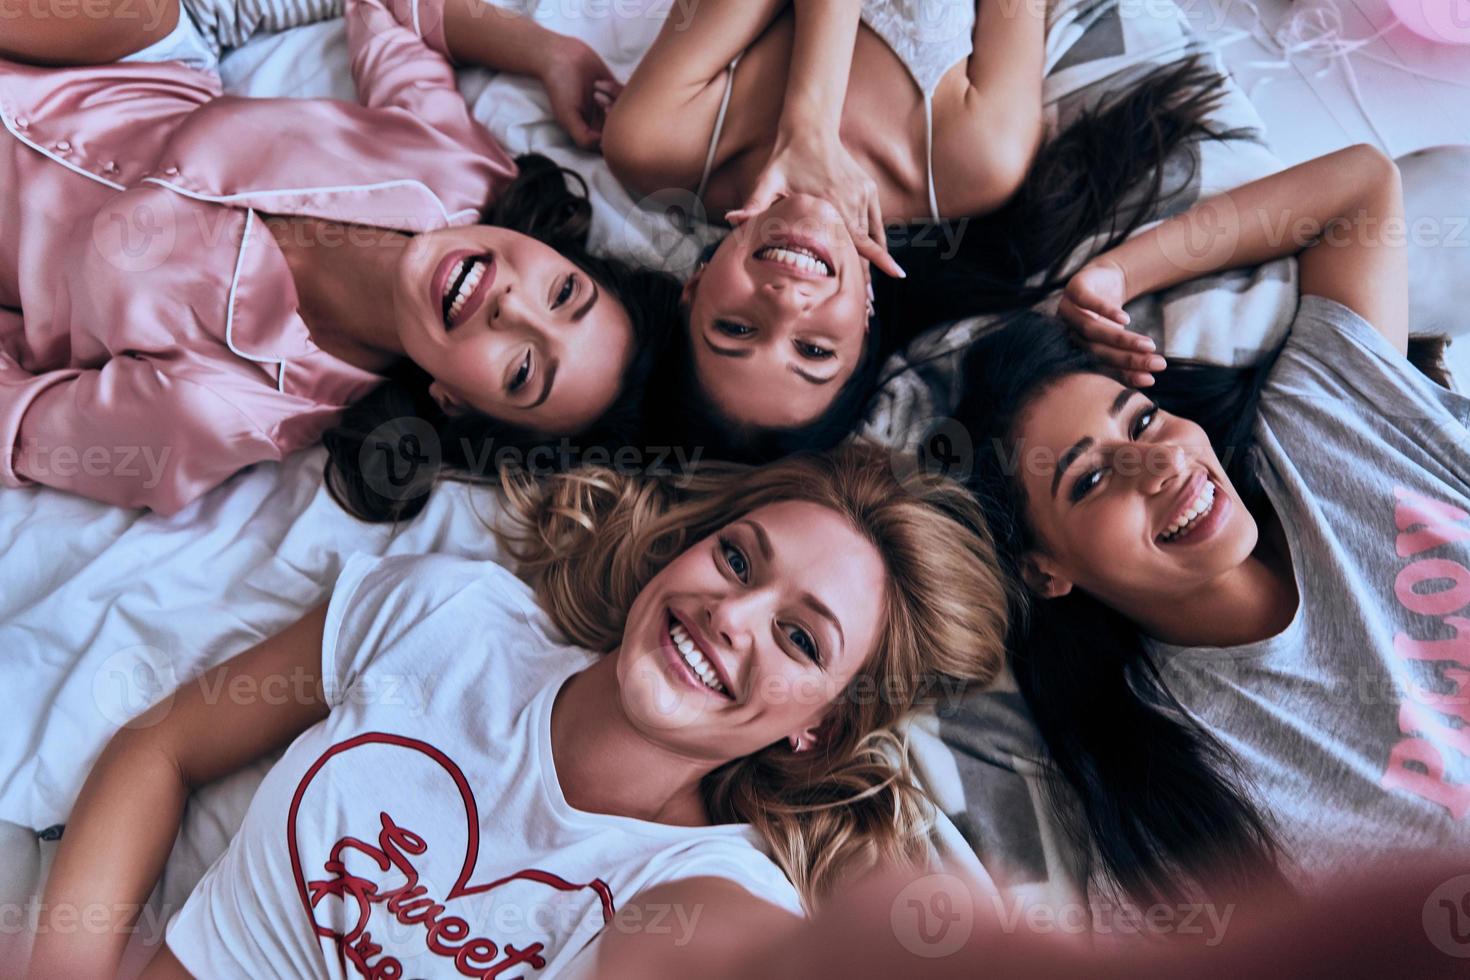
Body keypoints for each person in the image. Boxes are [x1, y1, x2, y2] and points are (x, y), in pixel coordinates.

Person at [26, 444, 1013, 977]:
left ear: (820, 728)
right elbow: (163, 748)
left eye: (801, 638)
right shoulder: (448, 615)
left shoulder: (707, 888)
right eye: (738, 558)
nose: (733, 613)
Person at [954, 143, 1470, 904]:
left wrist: (1111, 279)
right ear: (1043, 571)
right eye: (1091, 479)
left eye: (1144, 420)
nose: (1157, 466)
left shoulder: (1320, 435)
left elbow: (1361, 185)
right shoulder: (1178, 790)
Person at [0, 0, 679, 517]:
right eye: (562, 293)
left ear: (455, 404)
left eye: (525, 369)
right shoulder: (465, 174)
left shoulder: (224, 409)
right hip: (105, 65)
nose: (514, 307)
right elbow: (387, 9)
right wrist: (546, 51)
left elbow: (20, 422)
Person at [603, 0, 1238, 459]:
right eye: (815, 351)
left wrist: (811, 126)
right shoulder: (974, 161)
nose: (785, 303)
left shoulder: (654, 144)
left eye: (735, 329)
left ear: (692, 290)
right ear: (867, 314)